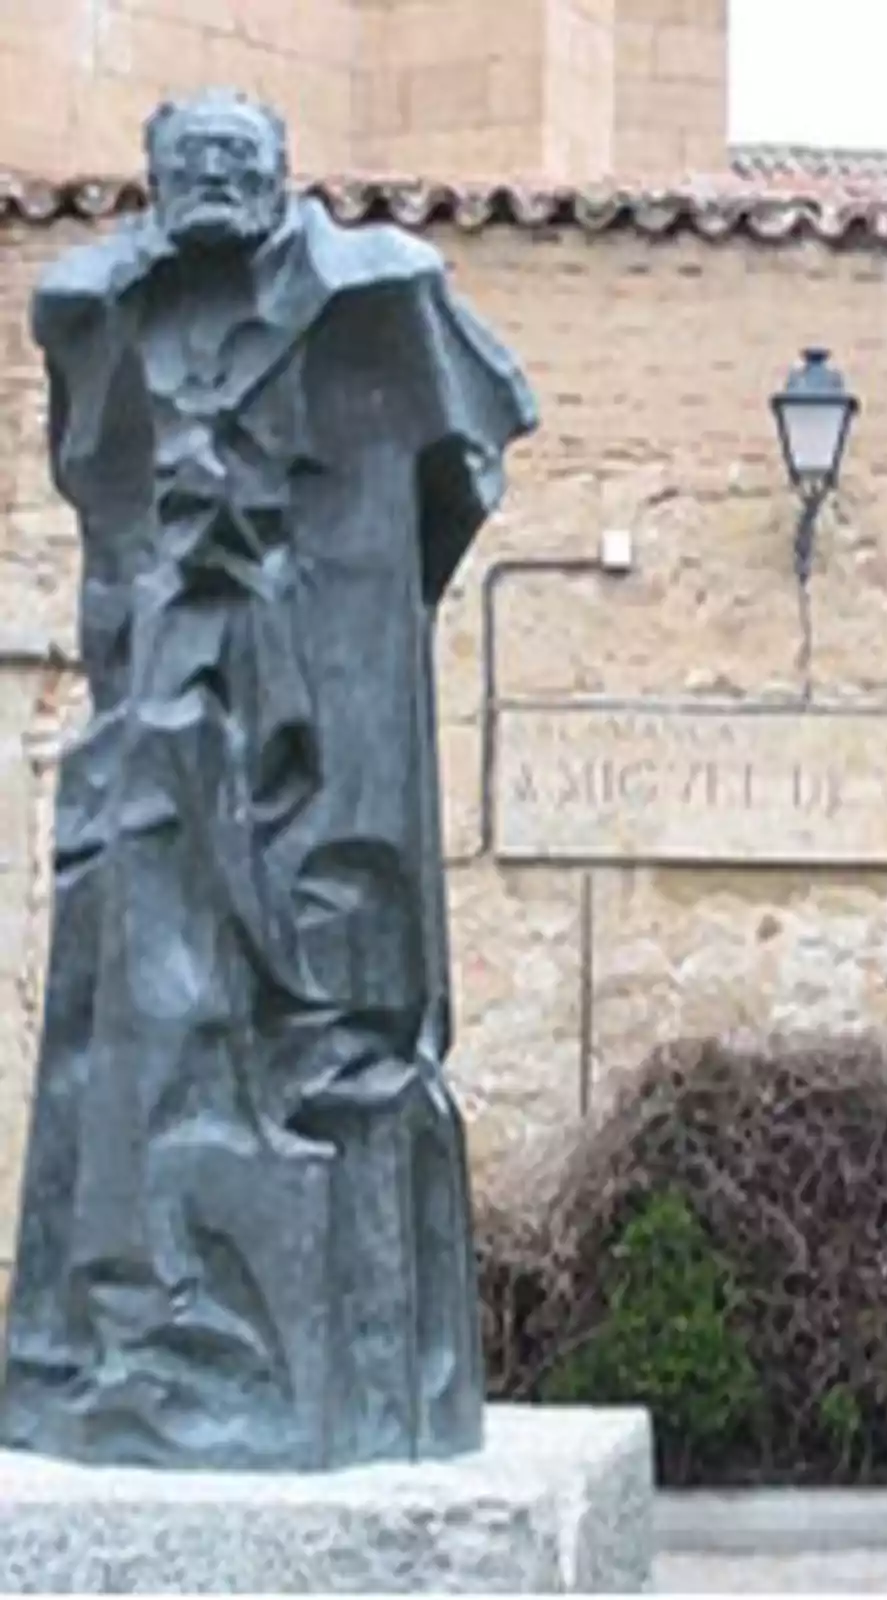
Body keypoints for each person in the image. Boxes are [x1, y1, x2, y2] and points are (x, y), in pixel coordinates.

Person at [0, 89, 538, 1470]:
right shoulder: (117, 302)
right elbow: (83, 398)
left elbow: (471, 461)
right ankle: (133, 1336)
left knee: (335, 1005)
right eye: (192, 166)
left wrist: (347, 593)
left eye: (242, 163)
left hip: (318, 707)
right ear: (155, 184)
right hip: (162, 714)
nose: (219, 182)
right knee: (135, 992)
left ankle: (317, 1366)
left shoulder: (380, 294)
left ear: (285, 176)